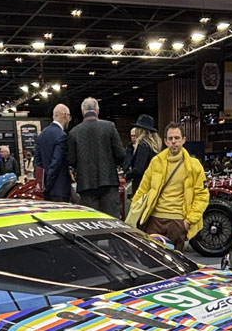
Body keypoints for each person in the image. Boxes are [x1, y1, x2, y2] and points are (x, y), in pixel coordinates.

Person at [130, 122, 209, 252]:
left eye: (177, 138)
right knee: (151, 259)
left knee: (175, 261)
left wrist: (188, 221)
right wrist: (134, 210)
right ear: (165, 141)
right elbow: (143, 188)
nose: (173, 141)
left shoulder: (194, 166)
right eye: (170, 138)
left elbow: (202, 196)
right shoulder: (156, 162)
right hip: (154, 220)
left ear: (183, 140)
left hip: (178, 222)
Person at [67, 97, 125, 216]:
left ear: (82, 111)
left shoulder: (74, 132)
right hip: (109, 181)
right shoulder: (110, 127)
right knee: (111, 221)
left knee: (91, 221)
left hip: (85, 184)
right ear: (97, 110)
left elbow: (71, 160)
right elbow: (120, 154)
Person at [35, 103, 73, 202]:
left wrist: (43, 185)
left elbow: (38, 163)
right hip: (60, 190)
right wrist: (49, 184)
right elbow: (56, 163)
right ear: (65, 115)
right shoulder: (61, 136)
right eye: (69, 117)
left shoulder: (42, 135)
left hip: (45, 191)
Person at [124, 114, 161, 193]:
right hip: (152, 184)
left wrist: (126, 176)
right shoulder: (154, 147)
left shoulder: (143, 146)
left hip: (142, 185)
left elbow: (138, 169)